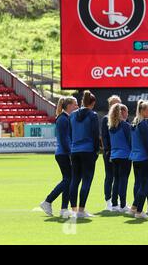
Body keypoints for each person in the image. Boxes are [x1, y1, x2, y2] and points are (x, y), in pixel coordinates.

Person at [40, 96, 78, 218]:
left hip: (64, 153)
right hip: (63, 154)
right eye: (75, 104)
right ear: (68, 106)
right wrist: (70, 154)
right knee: (68, 180)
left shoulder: (65, 118)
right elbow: (64, 139)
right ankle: (48, 201)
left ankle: (63, 209)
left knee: (68, 180)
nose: (77, 106)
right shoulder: (63, 119)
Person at [69, 90, 100, 218]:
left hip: (75, 150)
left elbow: (70, 133)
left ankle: (74, 209)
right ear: (92, 103)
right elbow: (95, 135)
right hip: (87, 150)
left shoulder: (72, 115)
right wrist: (96, 151)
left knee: (75, 180)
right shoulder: (92, 115)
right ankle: (81, 210)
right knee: (87, 180)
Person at [126, 100, 148, 219]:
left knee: (140, 184)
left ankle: (133, 208)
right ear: (142, 111)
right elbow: (147, 143)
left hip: (136, 157)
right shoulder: (143, 124)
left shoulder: (135, 122)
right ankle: (139, 211)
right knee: (144, 185)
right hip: (144, 158)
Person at [108, 103, 132, 213]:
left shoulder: (111, 126)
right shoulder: (125, 125)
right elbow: (130, 141)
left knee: (116, 180)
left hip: (114, 156)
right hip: (125, 156)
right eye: (126, 111)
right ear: (122, 112)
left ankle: (114, 204)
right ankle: (123, 205)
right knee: (123, 180)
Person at [101, 95, 122, 211]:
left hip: (122, 153)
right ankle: (108, 200)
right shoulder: (105, 119)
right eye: (115, 104)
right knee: (110, 176)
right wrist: (108, 150)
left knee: (120, 177)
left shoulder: (123, 119)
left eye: (119, 104)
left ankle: (118, 199)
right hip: (110, 153)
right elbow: (104, 137)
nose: (117, 107)